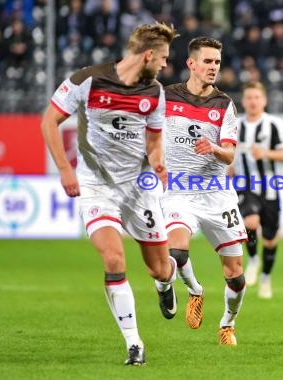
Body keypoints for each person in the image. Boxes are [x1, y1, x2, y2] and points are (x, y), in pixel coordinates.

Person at [40, 23, 179, 365]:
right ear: (148, 55)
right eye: (162, 58)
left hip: (138, 188)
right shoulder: (87, 80)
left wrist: (159, 163)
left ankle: (167, 283)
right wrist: (65, 168)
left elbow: (154, 141)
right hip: (96, 185)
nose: (164, 65)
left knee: (160, 269)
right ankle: (134, 343)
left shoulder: (155, 93)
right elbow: (49, 122)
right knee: (114, 260)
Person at [156, 36, 248, 345]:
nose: (213, 67)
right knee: (177, 250)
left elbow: (231, 154)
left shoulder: (224, 104)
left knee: (235, 274)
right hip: (180, 191)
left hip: (216, 194)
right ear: (191, 64)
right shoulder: (166, 97)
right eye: (207, 61)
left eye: (217, 62)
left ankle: (227, 324)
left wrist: (214, 148)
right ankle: (194, 290)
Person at [231, 81, 283, 299]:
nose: (252, 101)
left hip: (270, 188)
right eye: (248, 97)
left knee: (270, 239)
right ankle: (253, 259)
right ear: (243, 100)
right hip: (246, 185)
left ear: (264, 100)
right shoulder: (235, 125)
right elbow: (231, 154)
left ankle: (266, 277)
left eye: (256, 97)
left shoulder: (274, 124)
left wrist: (265, 153)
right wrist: (229, 169)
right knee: (250, 222)